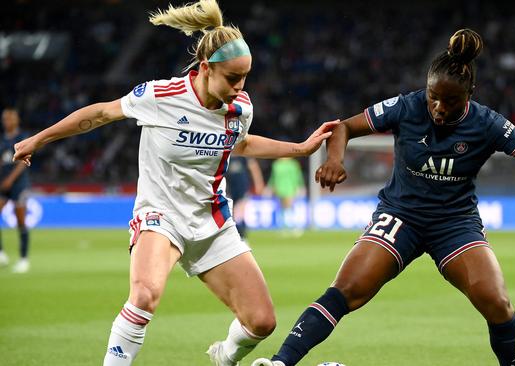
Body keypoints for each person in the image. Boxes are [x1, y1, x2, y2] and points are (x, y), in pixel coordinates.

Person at [251, 29, 515, 366]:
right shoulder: (407, 107)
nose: (439, 108)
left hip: (454, 222)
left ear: (469, 96)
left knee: (497, 302)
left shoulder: (488, 123)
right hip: (401, 215)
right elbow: (344, 126)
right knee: (347, 290)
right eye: (433, 98)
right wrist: (334, 158)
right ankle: (280, 363)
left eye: (451, 102)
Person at [12, 1, 338, 365]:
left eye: (244, 77)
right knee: (145, 295)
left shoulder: (240, 107)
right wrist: (38, 139)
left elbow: (241, 143)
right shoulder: (160, 97)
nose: (239, 86)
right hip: (161, 215)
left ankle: (224, 358)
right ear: (205, 69)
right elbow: (102, 112)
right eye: (232, 78)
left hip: (212, 220)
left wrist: (300, 147)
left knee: (262, 322)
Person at [0, 107, 31, 273]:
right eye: (4, 119)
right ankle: (1, 254)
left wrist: (10, 180)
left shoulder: (22, 138)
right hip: (2, 184)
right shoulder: (2, 140)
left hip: (19, 184)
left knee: (20, 221)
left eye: (10, 118)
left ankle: (24, 259)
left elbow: (22, 163)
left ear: (16, 120)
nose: (7, 121)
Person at [226, 156, 264, 242]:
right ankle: (238, 238)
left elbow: (253, 167)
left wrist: (258, 183)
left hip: (242, 189)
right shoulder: (226, 153)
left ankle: (242, 238)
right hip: (228, 189)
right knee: (232, 215)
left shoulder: (242, 154)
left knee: (238, 214)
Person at [267, 157, 305, 234]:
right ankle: (288, 226)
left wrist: (300, 186)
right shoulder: (288, 164)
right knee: (286, 208)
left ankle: (289, 226)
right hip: (286, 188)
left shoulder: (280, 164)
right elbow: (298, 177)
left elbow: (297, 177)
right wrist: (301, 186)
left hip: (285, 188)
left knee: (286, 208)